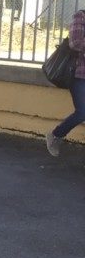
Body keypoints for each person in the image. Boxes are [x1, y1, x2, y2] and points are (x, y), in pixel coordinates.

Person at [45, 8, 85, 157]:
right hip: (79, 74)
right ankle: (55, 135)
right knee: (82, 112)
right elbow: (75, 43)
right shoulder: (81, 16)